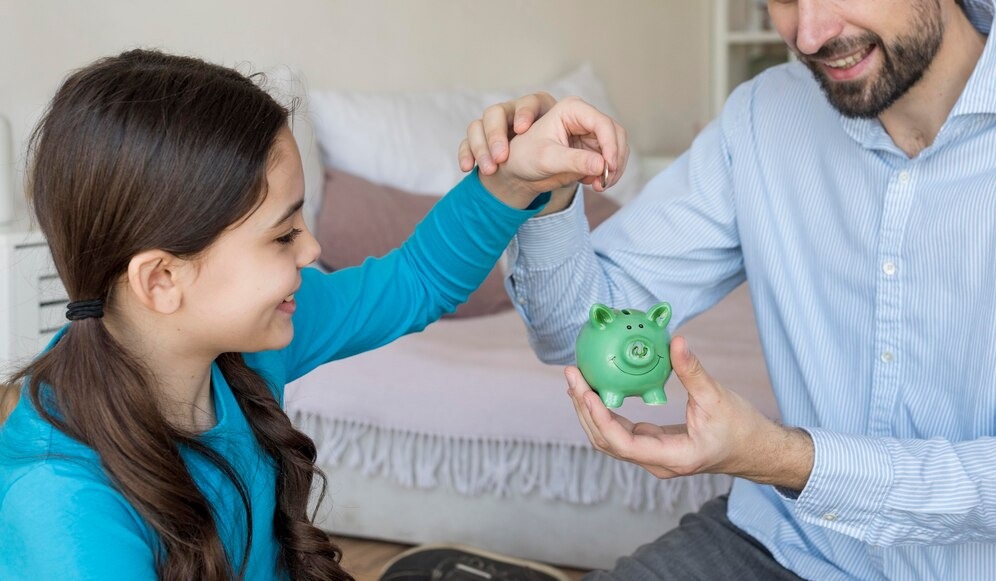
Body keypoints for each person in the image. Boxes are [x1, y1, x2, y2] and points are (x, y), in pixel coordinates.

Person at [386, 0, 996, 579]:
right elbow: (579, 334)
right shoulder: (762, 117)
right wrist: (548, 189)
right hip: (791, 541)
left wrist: (785, 458)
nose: (808, 35)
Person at [0, 49, 626, 580]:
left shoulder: (240, 346)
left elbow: (415, 281)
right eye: (282, 236)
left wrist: (517, 180)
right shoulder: (62, 508)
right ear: (162, 279)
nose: (313, 249)